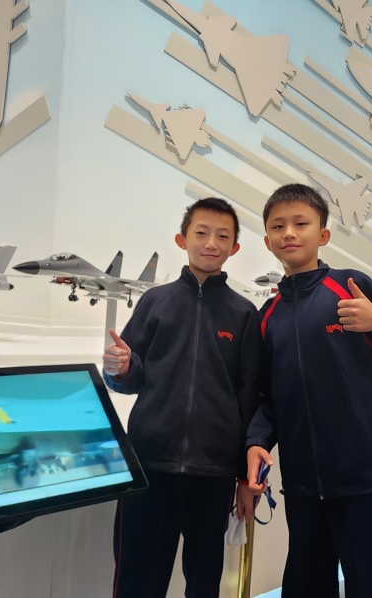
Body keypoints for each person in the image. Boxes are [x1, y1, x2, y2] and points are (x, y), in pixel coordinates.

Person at [246, 184, 372, 598]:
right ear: (268, 241)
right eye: (278, 226)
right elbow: (267, 398)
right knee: (306, 587)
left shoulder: (351, 286)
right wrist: (257, 441)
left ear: (323, 235)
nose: (289, 233)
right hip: (302, 486)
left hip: (365, 479)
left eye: (301, 223)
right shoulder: (268, 316)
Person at [102, 197, 262, 598]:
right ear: (182, 239)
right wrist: (119, 369)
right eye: (201, 233)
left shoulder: (244, 313)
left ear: (234, 248)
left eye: (222, 236)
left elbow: (250, 397)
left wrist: (245, 478)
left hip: (213, 474)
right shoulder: (156, 302)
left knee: (204, 582)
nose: (211, 243)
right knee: (138, 579)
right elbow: (130, 377)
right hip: (149, 465)